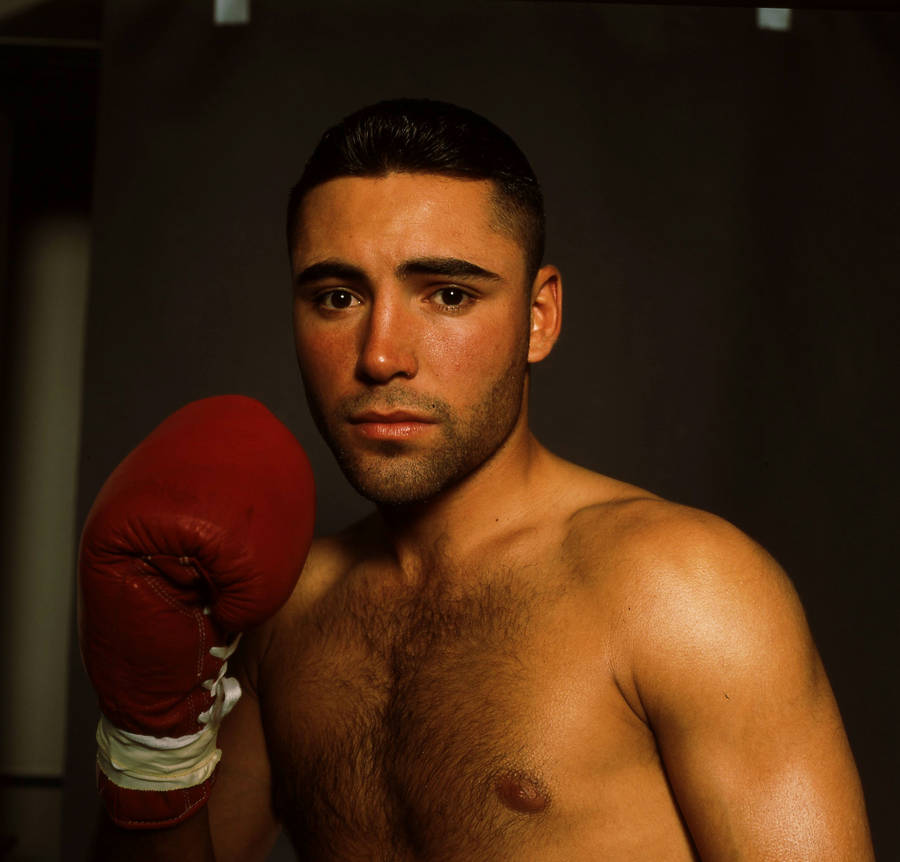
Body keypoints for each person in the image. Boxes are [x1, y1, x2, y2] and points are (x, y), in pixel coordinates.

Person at [87, 99, 874, 860]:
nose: (381, 355)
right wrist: (151, 743)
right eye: (337, 296)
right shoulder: (287, 613)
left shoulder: (682, 589)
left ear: (539, 318)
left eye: (449, 295)